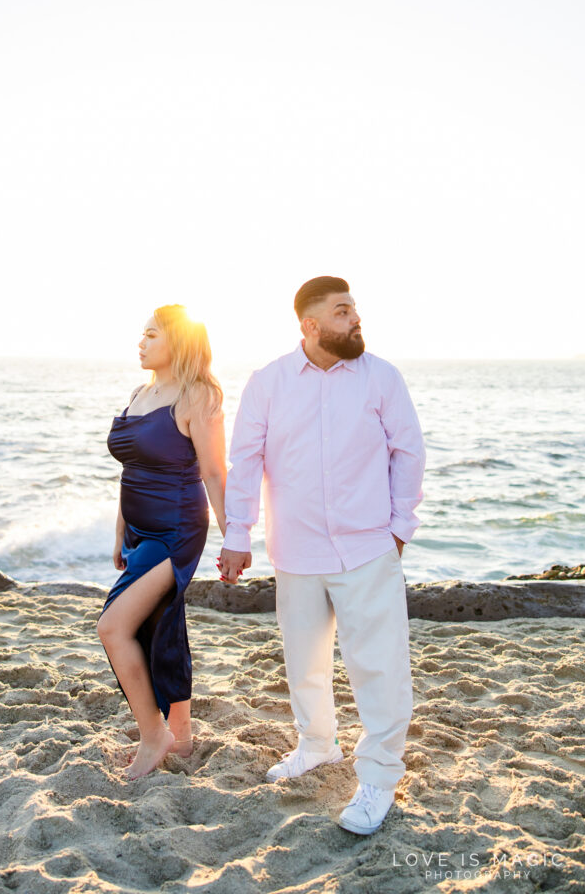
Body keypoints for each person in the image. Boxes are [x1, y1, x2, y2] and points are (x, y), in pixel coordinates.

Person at [218, 276, 425, 835]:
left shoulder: (381, 377)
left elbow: (409, 451)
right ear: (310, 325)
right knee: (304, 661)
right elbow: (246, 460)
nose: (354, 320)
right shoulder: (268, 383)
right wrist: (238, 533)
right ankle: (317, 746)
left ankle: (379, 776)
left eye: (354, 310)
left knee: (379, 667)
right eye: (341, 312)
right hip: (296, 548)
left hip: (367, 547)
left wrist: (399, 528)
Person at [98, 304, 226, 779]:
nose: (141, 342)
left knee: (113, 627)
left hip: (176, 530)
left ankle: (154, 736)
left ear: (178, 340)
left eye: (151, 334)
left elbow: (214, 471)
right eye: (142, 334)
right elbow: (131, 471)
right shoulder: (140, 392)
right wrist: (120, 533)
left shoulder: (199, 396)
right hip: (137, 530)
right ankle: (183, 734)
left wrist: (233, 536)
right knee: (161, 625)